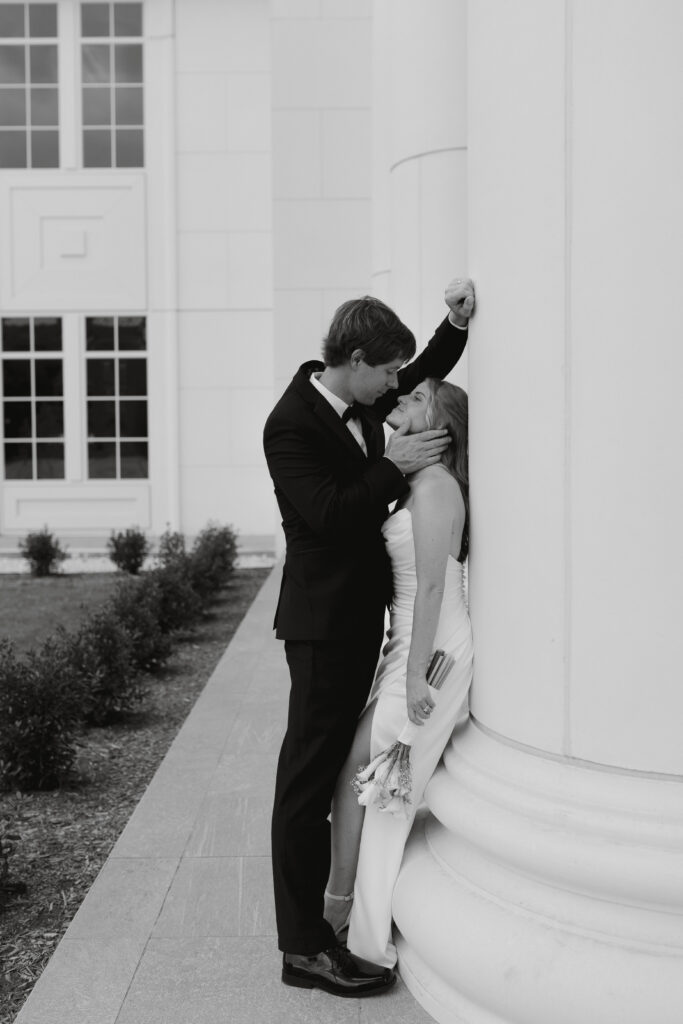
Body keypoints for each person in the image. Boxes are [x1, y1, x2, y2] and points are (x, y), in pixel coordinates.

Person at [263, 279, 475, 998]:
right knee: (306, 781)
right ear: (353, 360)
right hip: (322, 630)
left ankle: (333, 919)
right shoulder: (289, 423)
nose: (396, 387)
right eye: (387, 373)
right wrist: (396, 467)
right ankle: (303, 948)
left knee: (339, 771)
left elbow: (421, 379)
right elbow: (328, 513)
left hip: (370, 628)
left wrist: (453, 326)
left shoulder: (363, 398)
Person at [324, 377, 473, 969]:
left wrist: (415, 678)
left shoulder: (436, 489)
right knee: (373, 778)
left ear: (439, 424)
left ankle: (351, 921)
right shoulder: (413, 483)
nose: (399, 403)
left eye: (414, 399)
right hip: (407, 641)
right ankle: (349, 911)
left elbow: (435, 586)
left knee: (381, 780)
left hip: (431, 649)